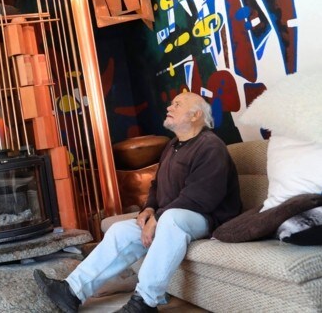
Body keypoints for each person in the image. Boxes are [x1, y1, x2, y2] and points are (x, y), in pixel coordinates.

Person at [34, 92, 241, 313]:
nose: (169, 107)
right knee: (121, 230)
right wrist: (149, 209)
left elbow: (202, 197)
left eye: (177, 105)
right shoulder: (173, 146)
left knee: (171, 218)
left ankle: (145, 302)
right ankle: (72, 291)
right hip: (174, 216)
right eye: (171, 104)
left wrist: (159, 217)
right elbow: (156, 186)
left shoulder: (210, 146)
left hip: (209, 219)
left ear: (196, 115)